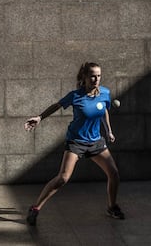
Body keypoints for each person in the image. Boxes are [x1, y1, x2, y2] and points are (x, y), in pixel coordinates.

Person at [24, 62, 124, 226]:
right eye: (92, 75)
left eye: (98, 76)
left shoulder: (105, 93)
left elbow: (103, 111)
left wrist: (109, 131)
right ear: (84, 77)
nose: (96, 79)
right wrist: (40, 117)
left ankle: (112, 207)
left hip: (96, 142)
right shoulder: (75, 96)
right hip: (76, 142)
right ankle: (35, 208)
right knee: (63, 178)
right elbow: (57, 105)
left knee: (114, 173)